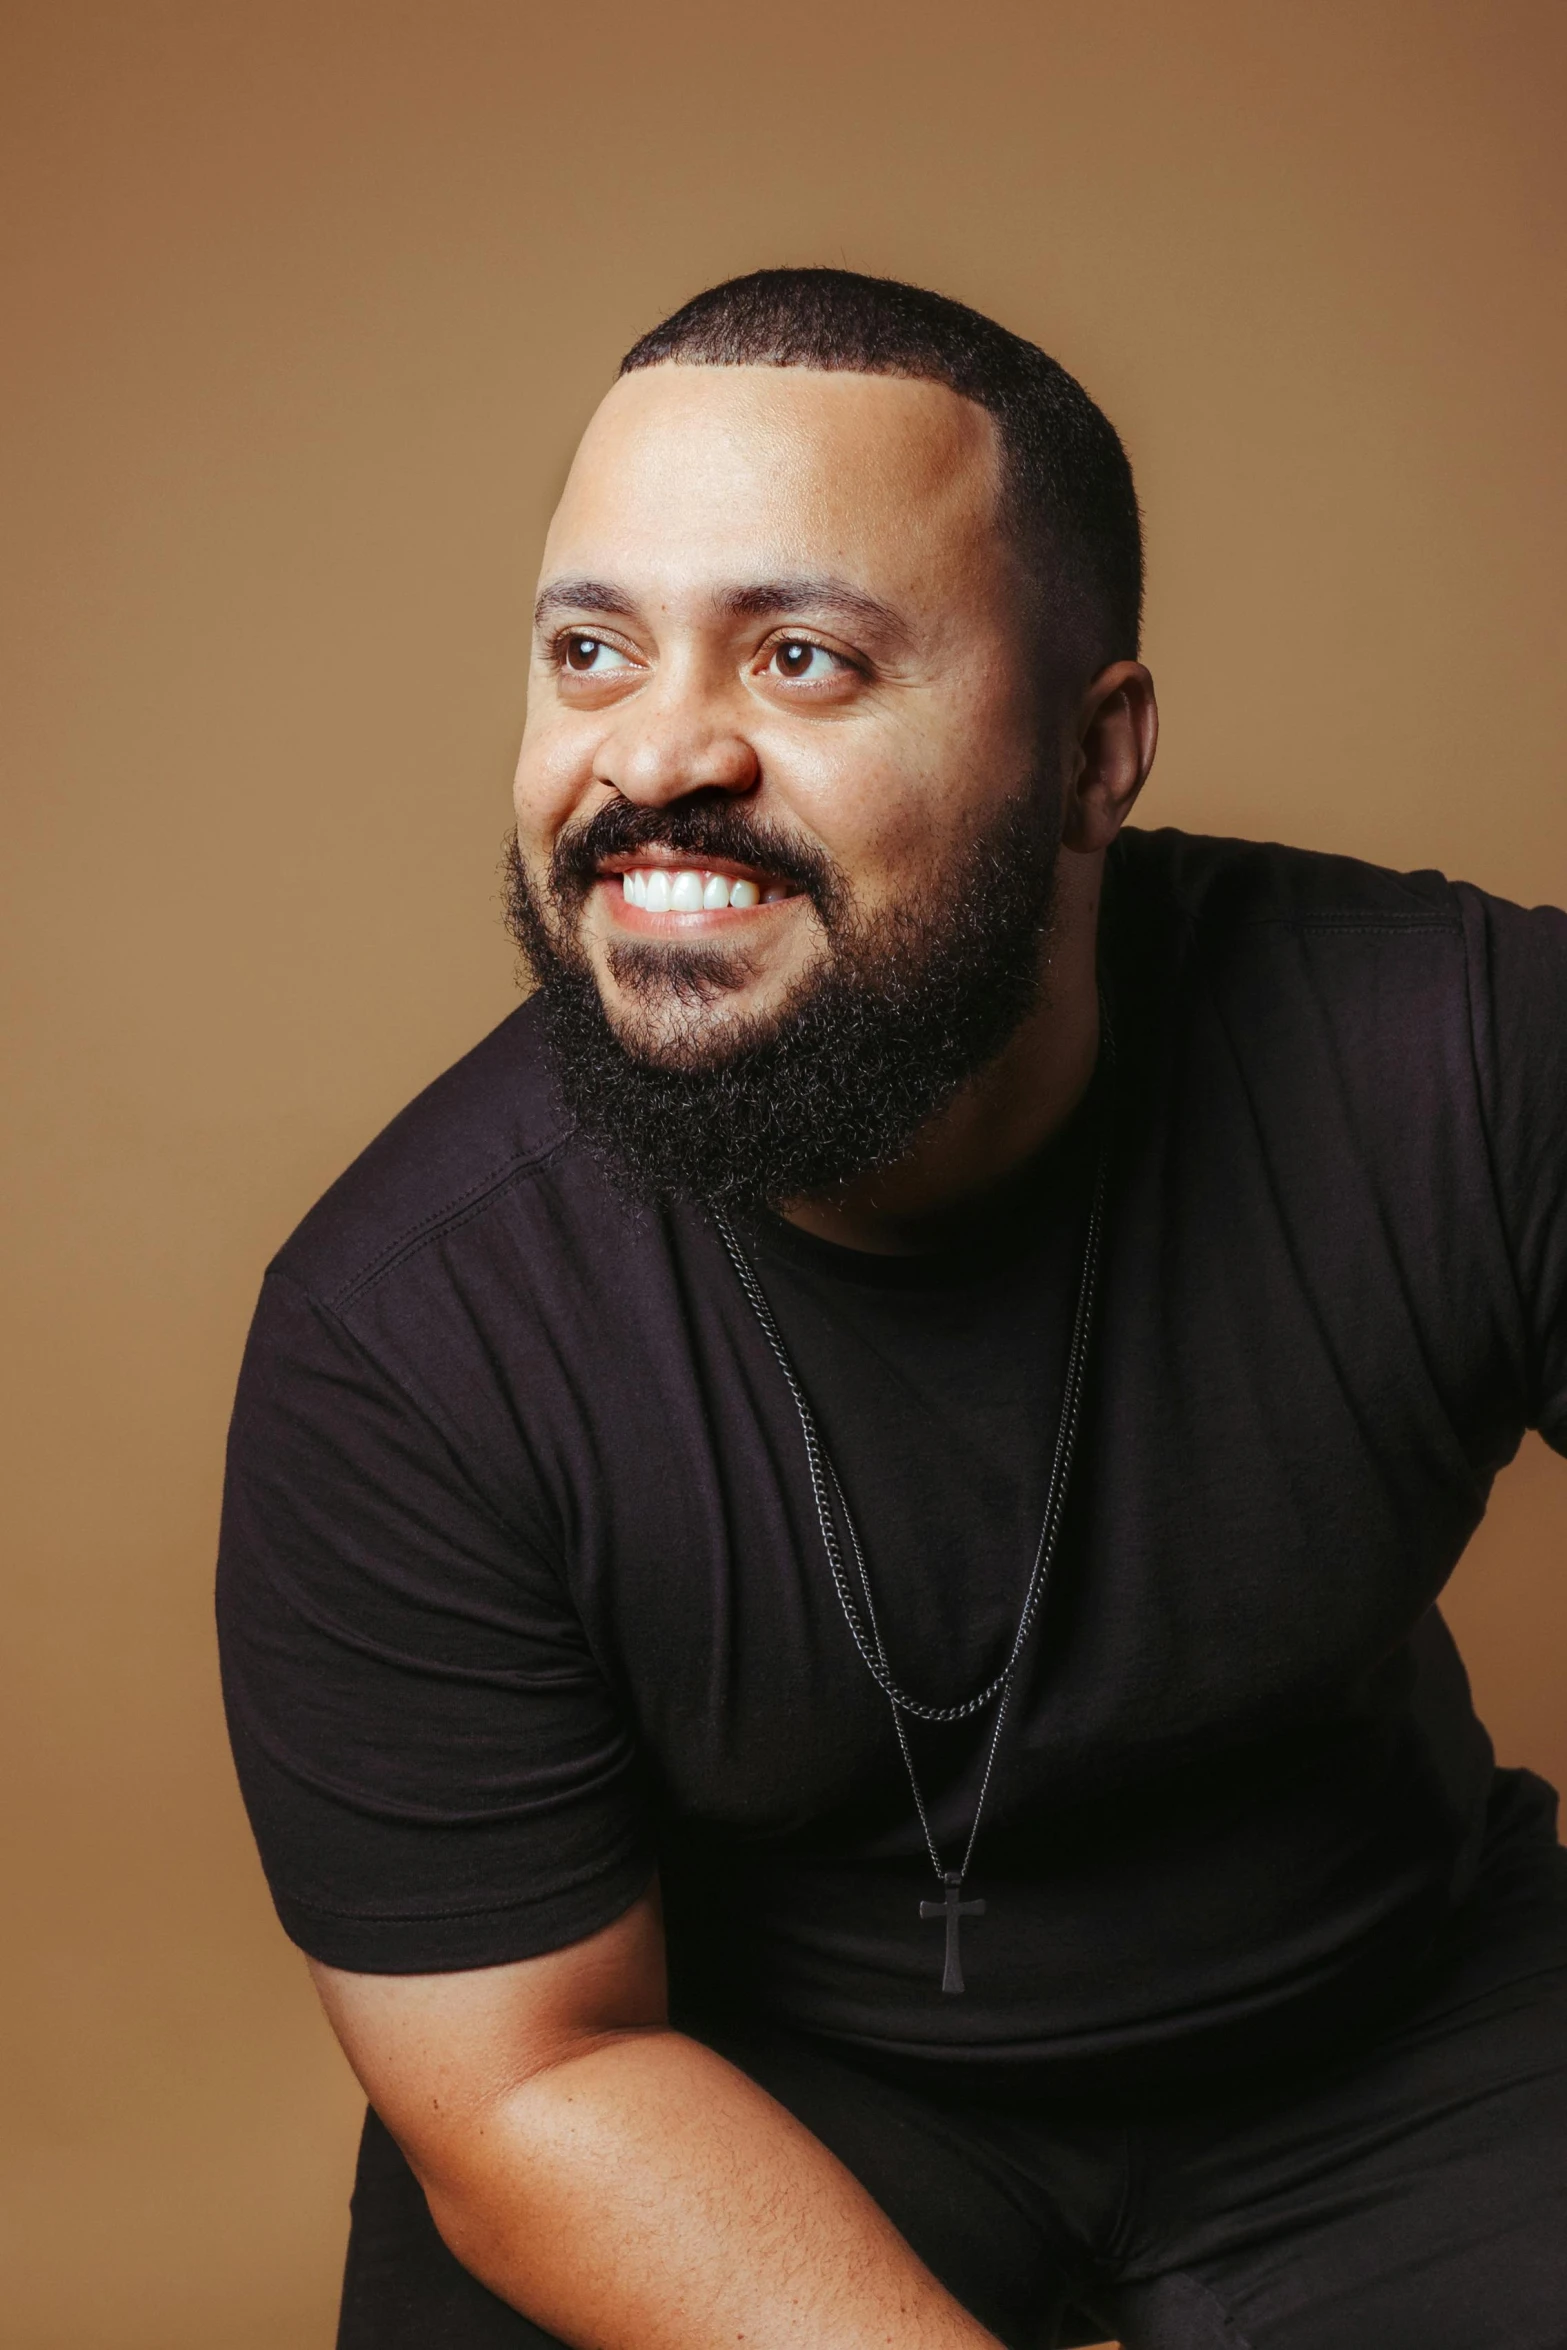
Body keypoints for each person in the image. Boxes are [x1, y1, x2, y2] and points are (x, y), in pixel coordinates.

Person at [216, 269, 1567, 2350]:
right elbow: (528, 2076)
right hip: (739, 2082)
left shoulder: (1467, 1057)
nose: (654, 748)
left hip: (1403, 2030)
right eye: (591, 649)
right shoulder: (403, 1333)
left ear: (1095, 753)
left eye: (806, 655)